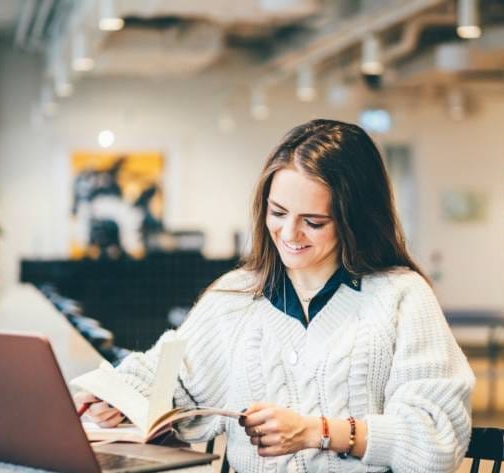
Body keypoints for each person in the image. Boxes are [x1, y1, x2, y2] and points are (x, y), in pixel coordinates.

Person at [74, 119, 475, 472]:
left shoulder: (401, 298)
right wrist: (119, 396)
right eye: (278, 213)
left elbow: (436, 442)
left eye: (313, 222)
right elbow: (168, 377)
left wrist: (318, 432)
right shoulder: (235, 297)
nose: (289, 234)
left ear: (355, 220)